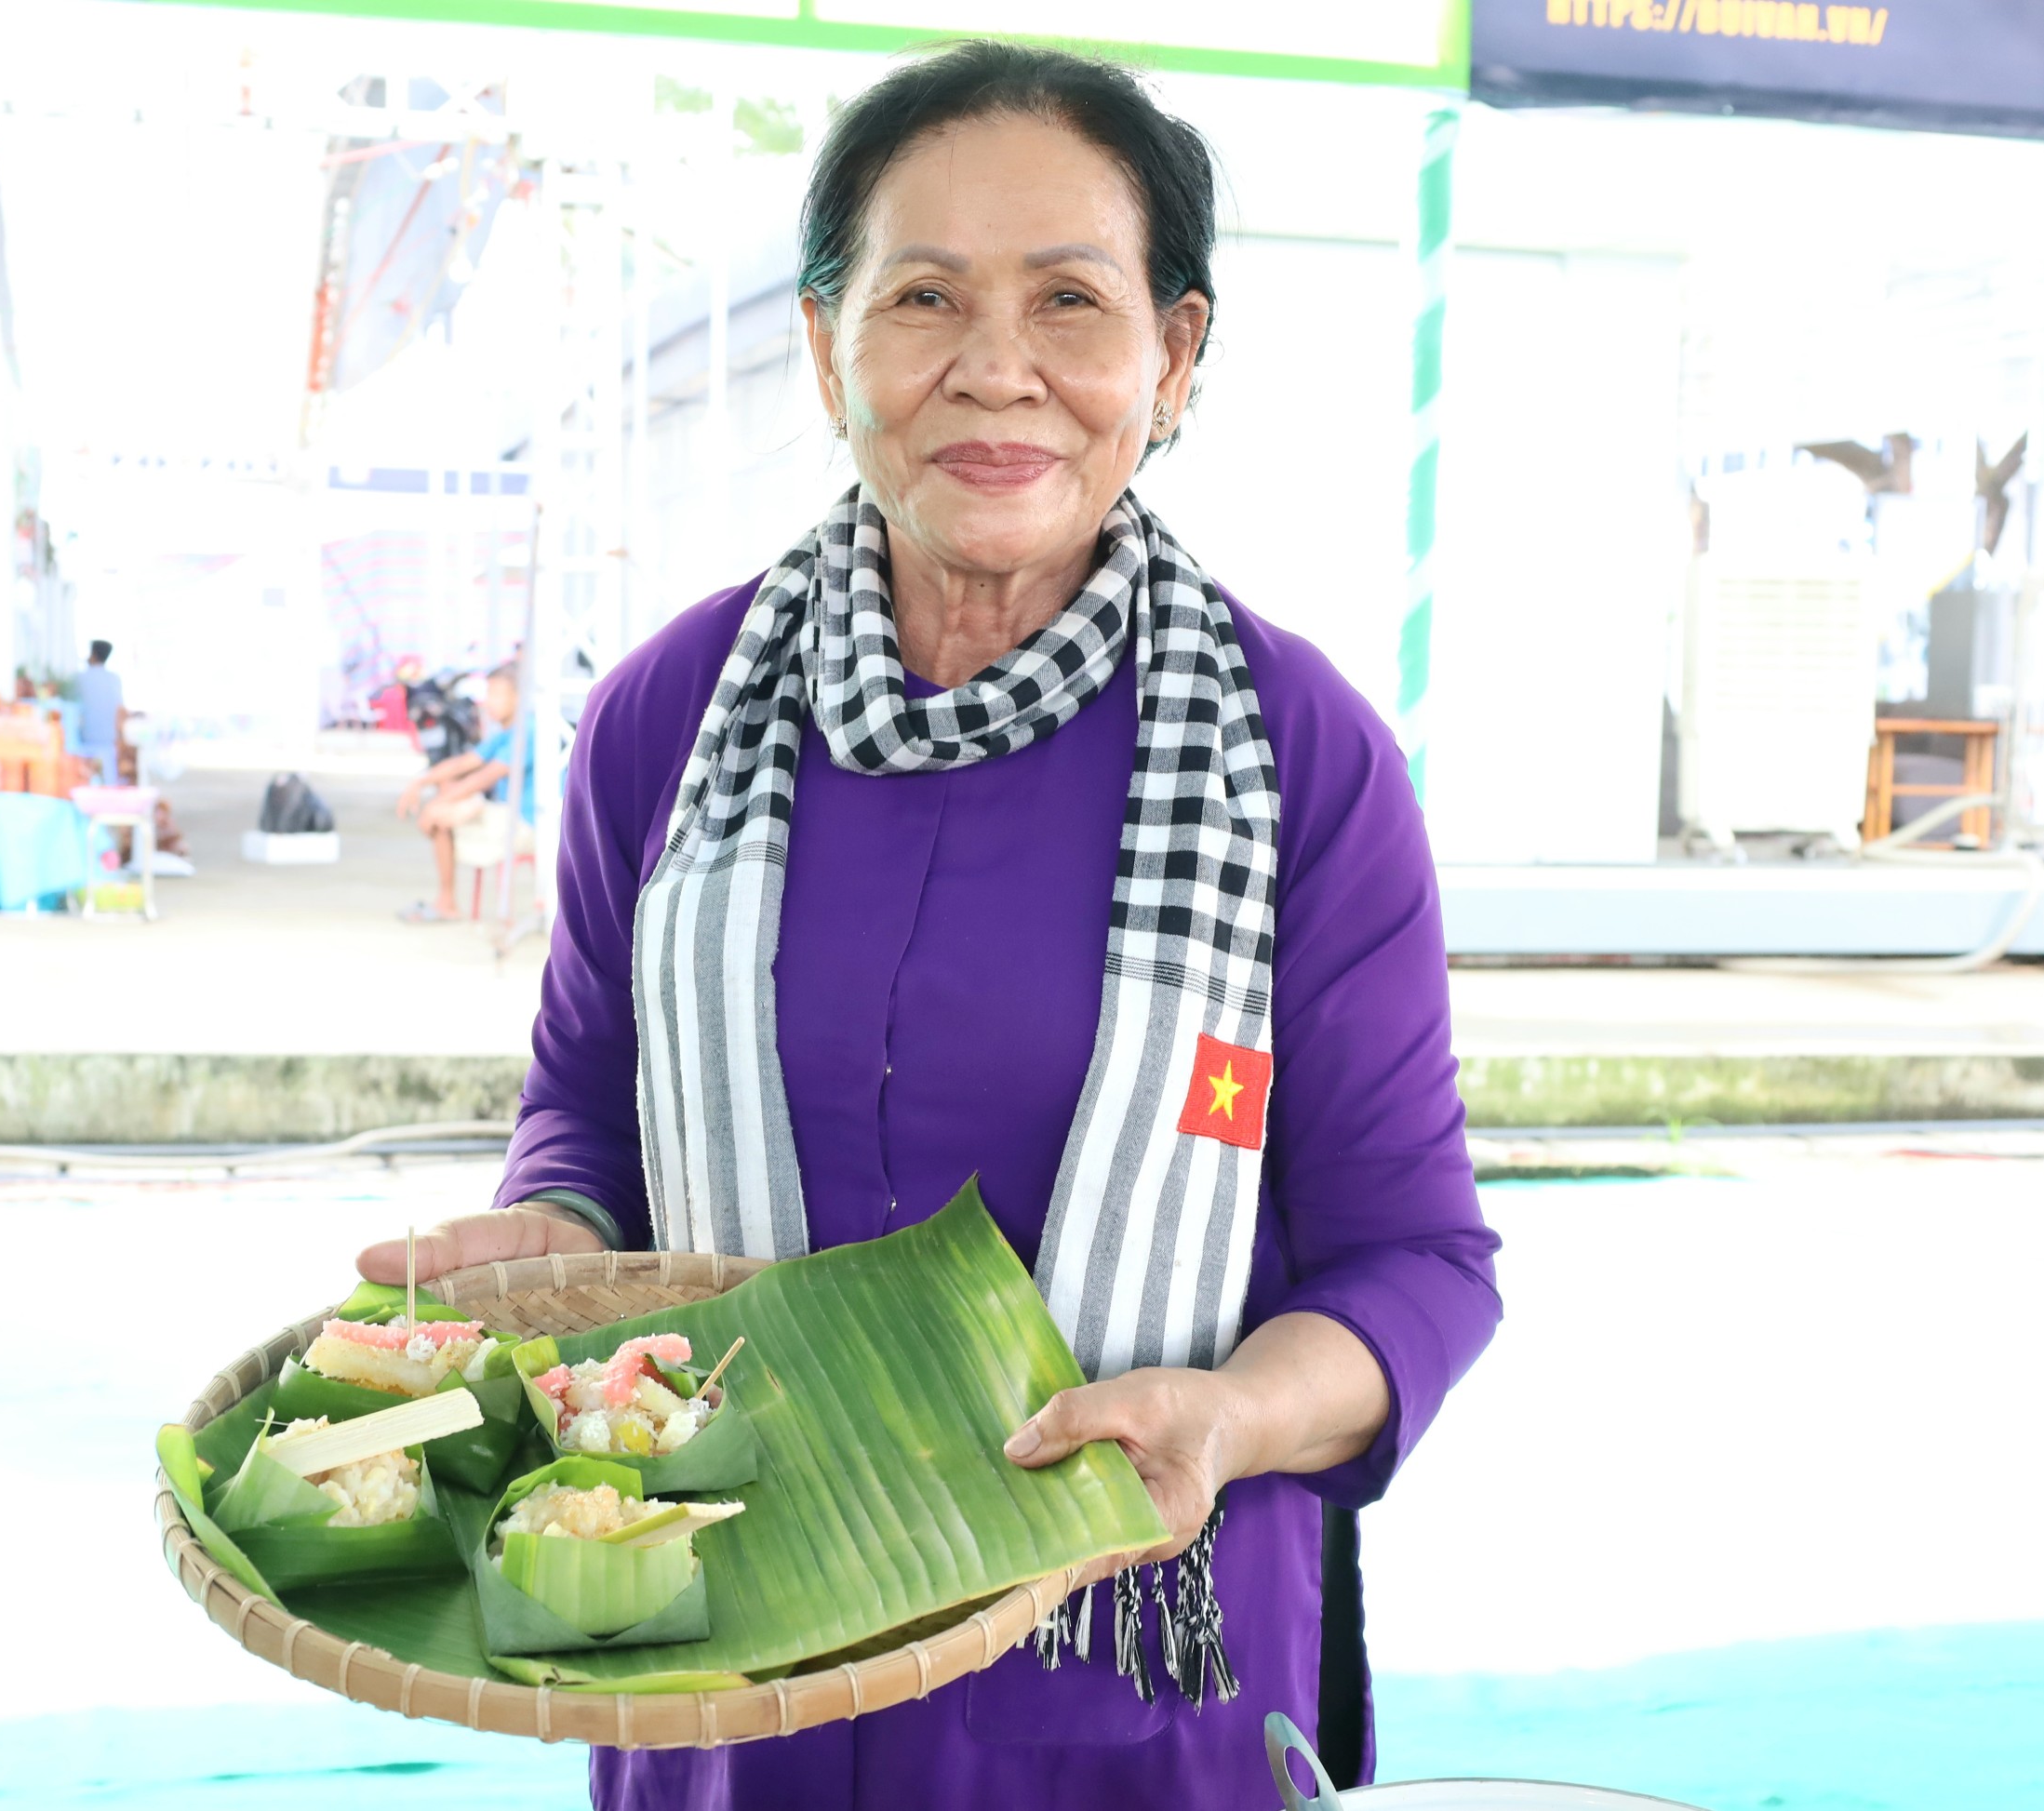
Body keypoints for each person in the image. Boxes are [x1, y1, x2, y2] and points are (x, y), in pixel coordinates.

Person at [358, 42, 1500, 1808]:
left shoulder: (1295, 754)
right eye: (923, 297)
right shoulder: (670, 713)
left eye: (1070, 300)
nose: (996, 369)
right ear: (827, 348)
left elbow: (1415, 1266)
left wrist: (1234, 1418)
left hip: (1134, 1679)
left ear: (1172, 358)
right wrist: (554, 1233)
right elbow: (592, 1103)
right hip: (721, 1653)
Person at [394, 659, 527, 922]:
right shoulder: (505, 733)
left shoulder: (528, 730)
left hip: (524, 821)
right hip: (503, 813)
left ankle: (447, 902)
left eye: (495, 694)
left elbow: (484, 778)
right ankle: (446, 901)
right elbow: (464, 763)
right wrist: (420, 783)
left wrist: (436, 804)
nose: (488, 702)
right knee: (444, 795)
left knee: (440, 814)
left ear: (519, 697)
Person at [73, 639, 123, 783]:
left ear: (93, 655)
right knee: (109, 778)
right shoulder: (115, 679)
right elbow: (120, 711)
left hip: (86, 739)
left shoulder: (80, 678)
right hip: (109, 739)